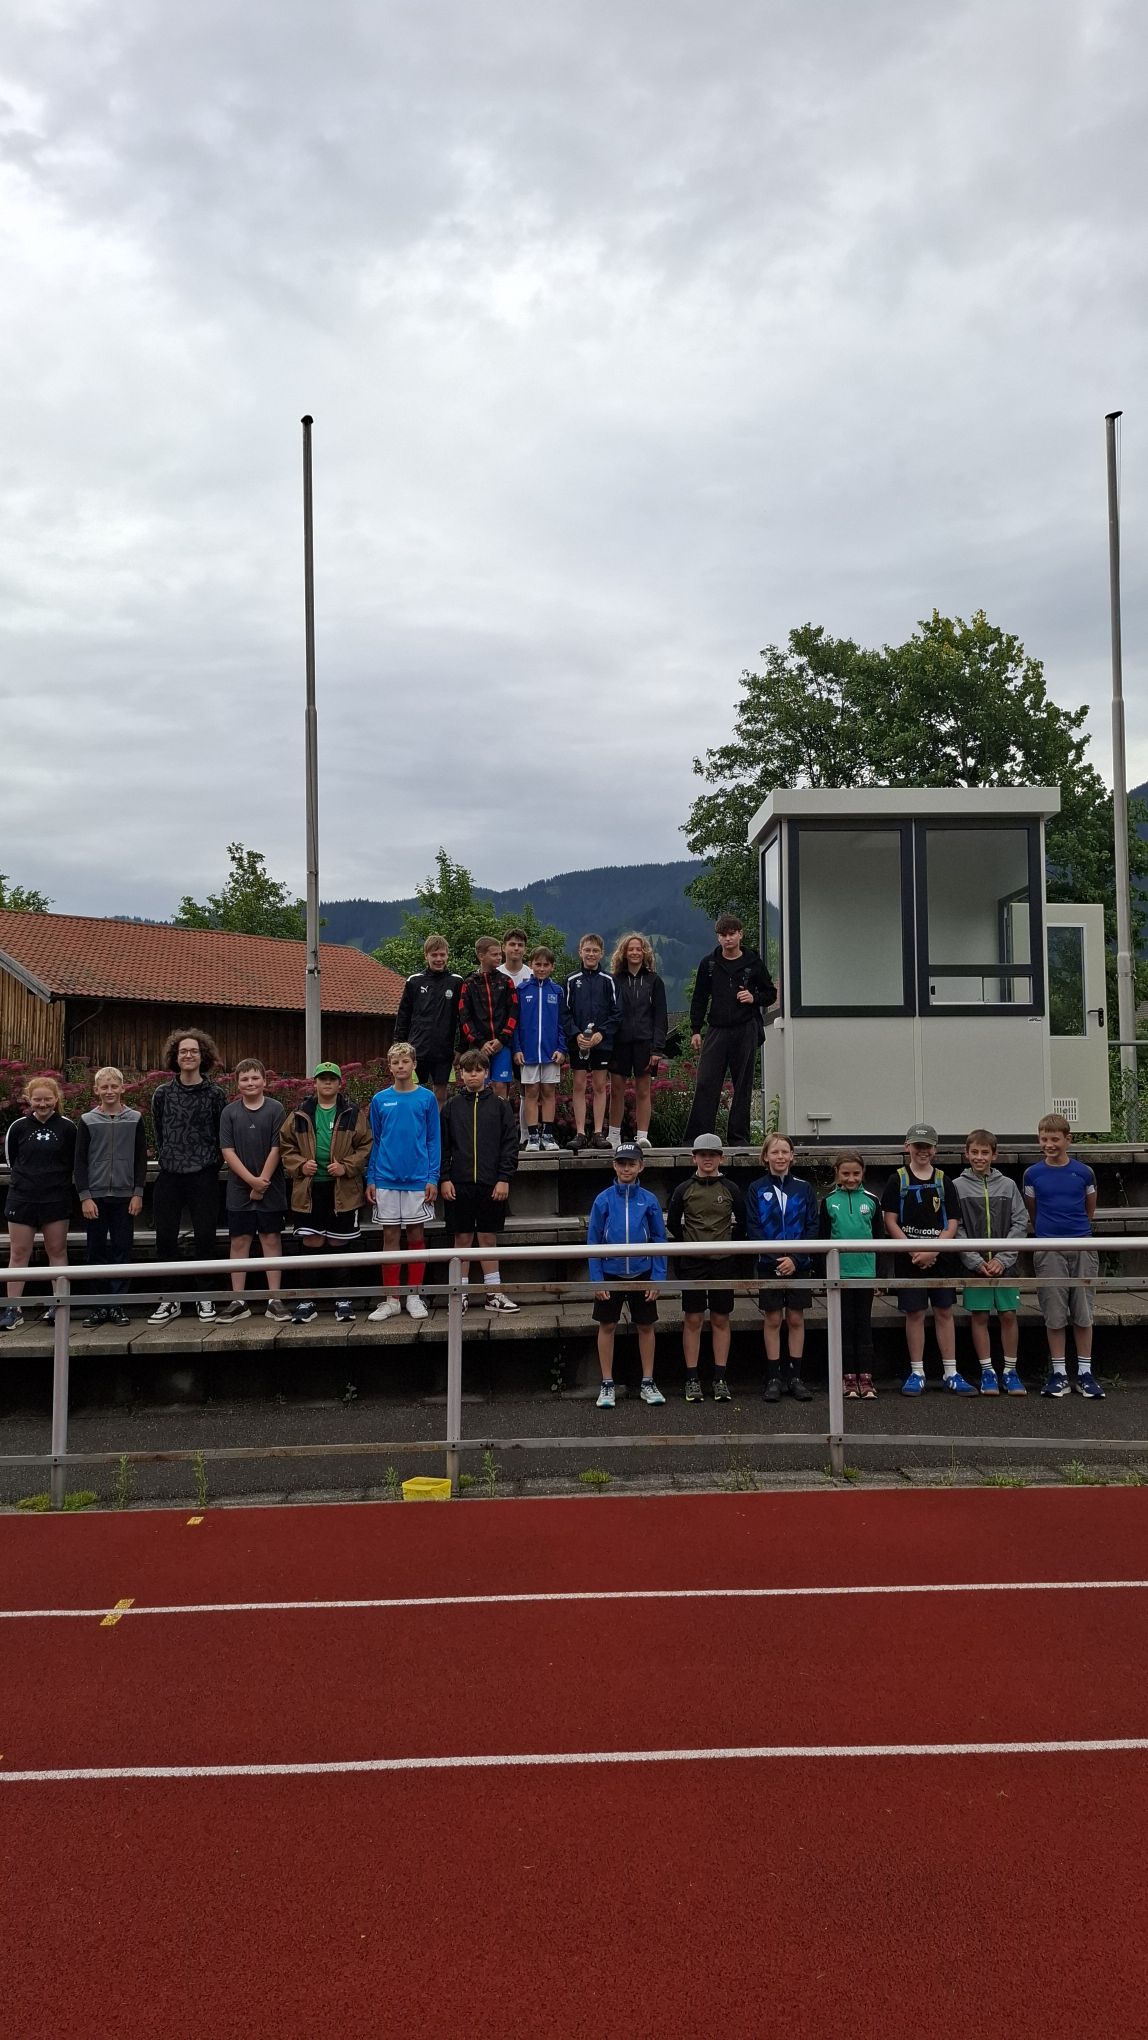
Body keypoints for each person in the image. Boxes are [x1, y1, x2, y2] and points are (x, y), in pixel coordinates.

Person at [881, 1123, 972, 1395]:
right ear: (907, 1146)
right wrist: (914, 1251)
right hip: (909, 1259)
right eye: (918, 1146)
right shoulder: (897, 1180)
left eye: (928, 1146)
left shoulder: (945, 1181)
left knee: (944, 1311)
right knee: (915, 1313)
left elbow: (953, 1221)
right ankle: (917, 1371)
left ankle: (951, 1371)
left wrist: (934, 1250)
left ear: (935, 1149)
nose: (923, 1151)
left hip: (940, 1258)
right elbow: (890, 1220)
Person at [279, 1061, 372, 1323]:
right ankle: (307, 1300)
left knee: (339, 1242)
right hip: (309, 1190)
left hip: (342, 1190)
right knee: (311, 1242)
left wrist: (346, 1166)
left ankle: (343, 1299)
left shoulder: (352, 1113)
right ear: (315, 1083)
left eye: (332, 1079)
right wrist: (300, 1165)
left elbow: (365, 1145)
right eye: (323, 1079)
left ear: (340, 1083)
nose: (327, 1083)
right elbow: (286, 1146)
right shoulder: (300, 1113)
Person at [148, 1029, 227, 1324]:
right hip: (170, 1174)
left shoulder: (215, 1094)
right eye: (183, 1051)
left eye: (194, 1051)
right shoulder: (162, 1094)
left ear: (202, 1056)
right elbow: (159, 1132)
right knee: (165, 1238)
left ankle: (205, 1295)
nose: (189, 1055)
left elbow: (221, 1135)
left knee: (205, 1237)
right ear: (175, 1056)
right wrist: (171, 1157)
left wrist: (209, 1163)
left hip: (204, 1175)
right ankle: (170, 1299)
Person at [1023, 1112, 1102, 1399]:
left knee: (1083, 1311)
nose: (1049, 1144)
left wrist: (1077, 1233)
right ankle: (1058, 1372)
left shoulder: (1084, 1172)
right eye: (1044, 1139)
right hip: (1048, 1247)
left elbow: (1089, 1209)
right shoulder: (1032, 1174)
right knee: (1054, 1312)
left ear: (1067, 1139)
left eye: (1054, 1139)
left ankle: (1085, 1372)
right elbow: (1033, 1210)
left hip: (1081, 1245)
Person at [683, 915, 776, 1149]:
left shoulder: (754, 962)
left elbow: (770, 993)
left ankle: (739, 1139)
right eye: (723, 935)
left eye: (732, 934)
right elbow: (699, 998)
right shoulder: (709, 964)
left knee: (742, 1084)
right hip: (717, 1029)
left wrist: (754, 997)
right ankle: (698, 1139)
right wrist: (696, 1029)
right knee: (706, 1082)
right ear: (718, 937)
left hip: (746, 1028)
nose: (728, 939)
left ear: (740, 934)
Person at [666, 1131, 746, 1402]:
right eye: (703, 1155)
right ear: (694, 1158)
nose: (707, 1159)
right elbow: (673, 1223)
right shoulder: (684, 1189)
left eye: (712, 1155)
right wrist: (691, 1245)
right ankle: (692, 1378)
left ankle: (720, 1377)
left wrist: (727, 1246)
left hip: (723, 1262)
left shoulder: (731, 1188)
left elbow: (743, 1221)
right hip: (693, 1262)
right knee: (693, 1318)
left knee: (721, 1318)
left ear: (721, 1158)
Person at [587, 1142, 668, 1409]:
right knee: (607, 1325)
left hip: (642, 1273)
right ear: (614, 1165)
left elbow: (659, 1239)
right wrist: (597, 1279)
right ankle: (607, 1383)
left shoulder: (649, 1200)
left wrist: (657, 1277)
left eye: (632, 1164)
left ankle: (648, 1381)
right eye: (621, 1163)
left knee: (646, 1325)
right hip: (610, 1273)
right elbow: (593, 1241)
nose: (626, 1168)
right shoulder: (603, 1199)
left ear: (640, 1166)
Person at [439, 1049, 520, 1311]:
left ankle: (493, 1292)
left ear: (486, 1073)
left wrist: (504, 1178)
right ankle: (459, 1293)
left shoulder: (500, 1106)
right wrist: (445, 1178)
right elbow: (443, 1147)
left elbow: (510, 1145)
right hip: (459, 1184)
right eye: (468, 1071)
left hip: (491, 1183)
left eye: (478, 1070)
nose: (473, 1075)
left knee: (487, 1237)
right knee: (462, 1237)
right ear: (460, 1074)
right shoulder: (451, 1107)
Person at [365, 1041, 440, 1321]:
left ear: (414, 1064)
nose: (400, 1066)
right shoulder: (379, 1100)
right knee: (390, 1237)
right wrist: (371, 1177)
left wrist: (432, 1177)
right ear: (389, 1067)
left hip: (418, 1180)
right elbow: (376, 1140)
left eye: (405, 1061)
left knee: (416, 1235)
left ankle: (414, 1295)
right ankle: (392, 1298)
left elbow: (433, 1140)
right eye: (395, 1062)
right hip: (385, 1178)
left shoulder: (427, 1099)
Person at [953, 1129, 1029, 1396]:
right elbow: (957, 1227)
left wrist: (1003, 1258)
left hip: (1005, 1265)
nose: (979, 1157)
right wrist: (975, 1261)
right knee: (980, 1315)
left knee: (1008, 1314)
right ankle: (987, 1370)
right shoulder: (957, 1186)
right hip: (976, 1267)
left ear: (994, 1155)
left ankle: (1010, 1370)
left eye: (985, 1152)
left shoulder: (1008, 1185)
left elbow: (1020, 1222)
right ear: (966, 1154)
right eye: (974, 1152)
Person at [1, 1074, 76, 1331]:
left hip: (56, 1199)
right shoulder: (18, 1127)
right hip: (22, 1198)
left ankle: (58, 1305)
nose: (43, 1104)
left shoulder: (68, 1128)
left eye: (47, 1099)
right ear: (28, 1100)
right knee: (18, 1253)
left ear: (56, 1099)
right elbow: (12, 1160)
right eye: (37, 1100)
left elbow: (73, 1161)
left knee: (57, 1251)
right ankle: (13, 1308)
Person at [747, 1132, 817, 1401]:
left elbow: (812, 1226)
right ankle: (773, 1376)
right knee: (773, 1318)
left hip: (800, 1263)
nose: (780, 1157)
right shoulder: (756, 1188)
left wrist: (795, 1259)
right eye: (774, 1152)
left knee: (796, 1318)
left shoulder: (804, 1188)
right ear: (765, 1157)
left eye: (784, 1152)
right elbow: (753, 1227)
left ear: (792, 1156)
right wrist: (776, 1257)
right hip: (769, 1263)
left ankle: (795, 1376)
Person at [74, 1066, 146, 1328]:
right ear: (96, 1090)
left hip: (125, 1197)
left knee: (121, 1250)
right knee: (95, 1251)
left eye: (114, 1086)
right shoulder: (87, 1120)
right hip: (95, 1197)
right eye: (104, 1087)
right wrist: (85, 1196)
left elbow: (140, 1159)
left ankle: (116, 1304)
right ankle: (99, 1305)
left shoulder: (135, 1118)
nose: (109, 1091)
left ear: (122, 1088)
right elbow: (80, 1162)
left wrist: (138, 1193)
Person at [217, 1059, 288, 1322]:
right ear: (237, 1083)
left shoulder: (276, 1109)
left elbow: (277, 1148)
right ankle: (238, 1300)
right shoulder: (229, 1112)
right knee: (239, 1240)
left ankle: (275, 1299)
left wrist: (262, 1182)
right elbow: (227, 1151)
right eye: (245, 1079)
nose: (250, 1083)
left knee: (271, 1238)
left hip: (271, 1186)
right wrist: (251, 1181)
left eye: (255, 1078)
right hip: (239, 1188)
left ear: (264, 1081)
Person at [817, 1150, 884, 1399]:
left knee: (863, 1323)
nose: (851, 1178)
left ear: (863, 1173)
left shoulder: (872, 1201)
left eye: (856, 1173)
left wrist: (880, 1276)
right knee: (844, 1324)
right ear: (837, 1173)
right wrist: (823, 1275)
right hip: (839, 1273)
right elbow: (822, 1240)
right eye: (845, 1174)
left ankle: (865, 1376)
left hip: (865, 1272)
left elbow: (880, 1240)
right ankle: (846, 1376)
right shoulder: (828, 1202)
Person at [607, 932, 668, 1151]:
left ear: (644, 952)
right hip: (619, 1043)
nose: (634, 952)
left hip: (645, 1043)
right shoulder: (614, 980)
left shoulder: (654, 981)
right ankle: (613, 1136)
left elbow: (660, 1016)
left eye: (638, 949)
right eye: (630, 949)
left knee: (643, 1091)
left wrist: (657, 1048)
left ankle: (642, 1136)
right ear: (623, 953)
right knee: (616, 1090)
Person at [393, 935, 463, 1105]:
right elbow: (403, 1015)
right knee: (412, 1094)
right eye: (434, 955)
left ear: (447, 955)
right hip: (417, 1048)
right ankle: (414, 1122)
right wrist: (399, 1045)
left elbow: (463, 1017)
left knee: (440, 1095)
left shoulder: (456, 982)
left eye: (442, 955)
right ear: (426, 956)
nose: (438, 959)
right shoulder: (414, 981)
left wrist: (461, 1048)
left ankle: (437, 1123)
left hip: (444, 1050)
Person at [566, 933, 618, 1152]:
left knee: (599, 1086)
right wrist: (576, 1034)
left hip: (602, 1044)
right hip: (578, 1043)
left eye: (595, 950)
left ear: (602, 954)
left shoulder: (609, 980)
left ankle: (598, 1133)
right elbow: (564, 1013)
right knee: (578, 1085)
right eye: (587, 950)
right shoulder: (571, 980)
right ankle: (580, 1133)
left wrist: (601, 1034)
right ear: (580, 952)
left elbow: (617, 1013)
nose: (591, 954)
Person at [513, 949, 569, 1151]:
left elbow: (563, 1023)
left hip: (551, 1052)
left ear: (552, 967)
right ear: (531, 965)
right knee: (531, 1092)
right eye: (538, 964)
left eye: (546, 965)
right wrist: (517, 1048)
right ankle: (532, 1136)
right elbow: (515, 1023)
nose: (542, 968)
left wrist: (562, 1048)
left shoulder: (557, 991)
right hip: (528, 1053)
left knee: (548, 1092)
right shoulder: (521, 990)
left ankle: (548, 1135)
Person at [459, 938, 519, 1101]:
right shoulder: (469, 983)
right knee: (478, 1086)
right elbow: (464, 1017)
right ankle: (479, 1117)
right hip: (479, 1046)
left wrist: (502, 1038)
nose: (499, 958)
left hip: (502, 1044)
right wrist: (480, 1042)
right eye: (494, 955)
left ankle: (501, 1117)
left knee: (500, 1085)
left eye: (500, 954)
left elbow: (513, 1012)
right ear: (481, 956)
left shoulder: (506, 981)